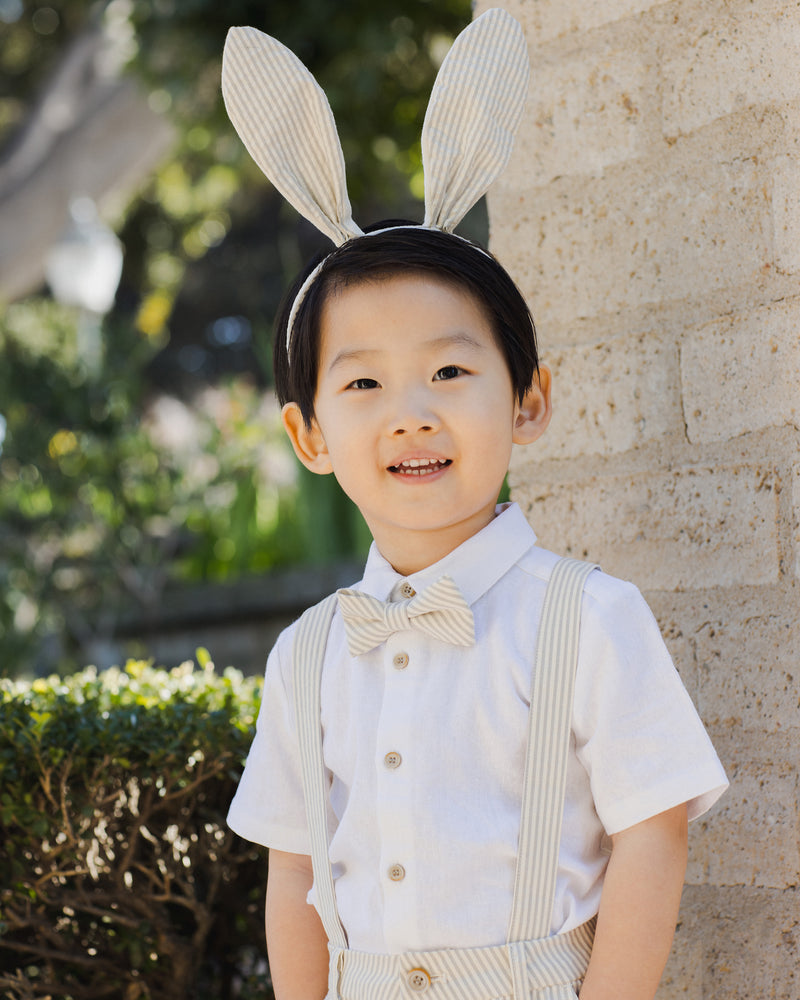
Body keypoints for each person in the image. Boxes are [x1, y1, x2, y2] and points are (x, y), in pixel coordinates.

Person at [222, 11, 728, 1000]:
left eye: (449, 370)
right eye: (362, 385)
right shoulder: (308, 654)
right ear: (310, 436)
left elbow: (650, 839)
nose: (410, 414)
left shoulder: (586, 618)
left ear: (527, 399)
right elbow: (292, 872)